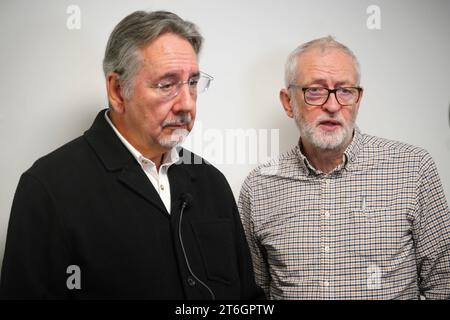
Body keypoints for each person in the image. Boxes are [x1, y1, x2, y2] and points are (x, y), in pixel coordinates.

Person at [0, 10, 263, 300]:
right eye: (167, 84)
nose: (187, 104)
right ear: (117, 90)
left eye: (192, 83)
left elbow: (245, 298)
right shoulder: (48, 187)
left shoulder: (211, 182)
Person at [238, 36, 450, 300]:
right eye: (315, 90)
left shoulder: (414, 168)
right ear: (287, 102)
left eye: (345, 91)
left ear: (358, 100)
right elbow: (253, 294)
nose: (332, 105)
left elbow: (443, 283)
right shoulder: (258, 187)